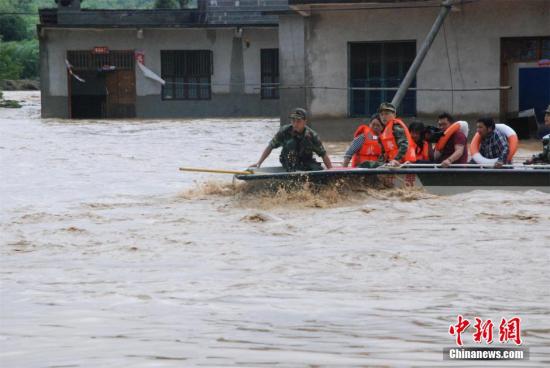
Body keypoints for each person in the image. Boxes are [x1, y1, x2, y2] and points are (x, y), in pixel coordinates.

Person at [250, 107, 333, 171]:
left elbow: (323, 154)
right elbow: (270, 146)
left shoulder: (312, 136)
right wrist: (259, 163)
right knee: (291, 143)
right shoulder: (284, 132)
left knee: (318, 169)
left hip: (306, 161)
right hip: (288, 160)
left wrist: (331, 171)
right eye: (293, 120)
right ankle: (293, 171)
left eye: (298, 121)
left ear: (305, 122)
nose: (295, 124)